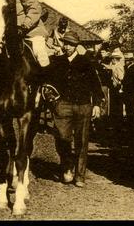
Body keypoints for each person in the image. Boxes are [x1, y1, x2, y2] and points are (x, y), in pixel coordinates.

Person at [49, 31, 103, 188]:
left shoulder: (86, 62)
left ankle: (79, 176)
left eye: (71, 44)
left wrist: (97, 104)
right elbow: (47, 80)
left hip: (83, 106)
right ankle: (66, 165)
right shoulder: (56, 62)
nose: (67, 47)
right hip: (63, 105)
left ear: (76, 46)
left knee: (81, 141)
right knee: (61, 137)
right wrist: (54, 101)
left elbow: (95, 84)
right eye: (65, 43)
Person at [122, 52, 134, 130]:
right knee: (129, 107)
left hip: (130, 91)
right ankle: (131, 122)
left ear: (130, 61)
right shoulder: (131, 68)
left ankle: (131, 123)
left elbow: (130, 81)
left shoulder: (132, 69)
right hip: (129, 91)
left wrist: (122, 82)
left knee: (130, 107)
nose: (125, 62)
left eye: (126, 60)